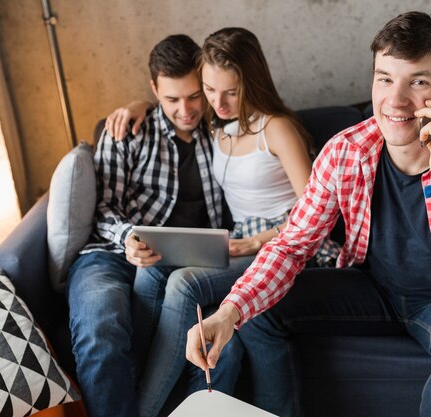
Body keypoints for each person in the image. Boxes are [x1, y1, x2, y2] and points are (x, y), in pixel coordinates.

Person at [186, 12, 431, 417]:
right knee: (255, 308)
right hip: (372, 287)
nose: (395, 101)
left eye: (418, 81)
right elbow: (292, 245)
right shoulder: (344, 151)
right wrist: (229, 311)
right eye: (385, 78)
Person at [106, 27, 340, 416]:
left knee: (184, 283)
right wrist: (138, 105)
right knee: (153, 271)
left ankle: (143, 409)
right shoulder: (215, 127)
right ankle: (155, 391)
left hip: (289, 245)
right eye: (210, 91)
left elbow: (317, 214)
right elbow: (171, 106)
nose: (219, 102)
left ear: (252, 82)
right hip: (240, 243)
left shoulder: (276, 128)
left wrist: (253, 243)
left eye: (230, 92)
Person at [66, 34, 246, 417]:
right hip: (114, 253)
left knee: (225, 352)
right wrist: (129, 237)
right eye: (170, 99)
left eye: (195, 96)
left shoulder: (220, 130)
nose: (185, 110)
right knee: (101, 330)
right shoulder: (128, 131)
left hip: (191, 265)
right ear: (154, 90)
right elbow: (103, 208)